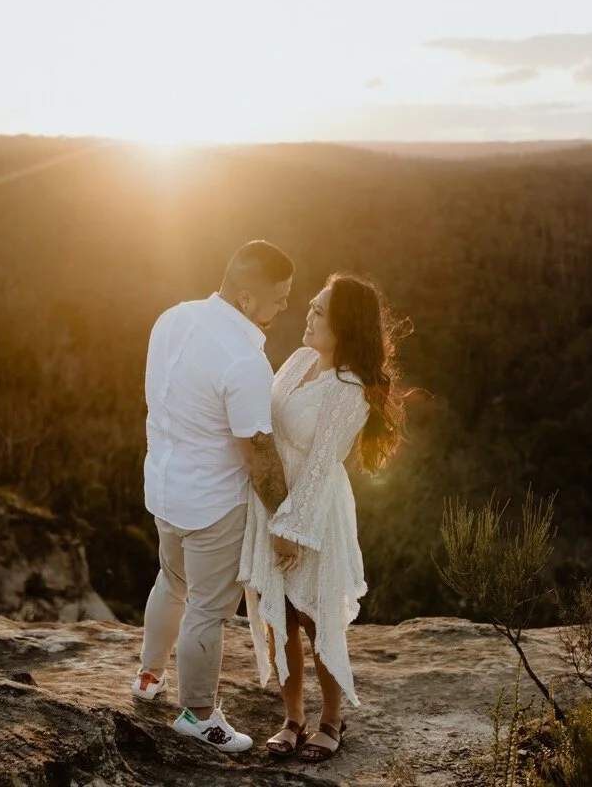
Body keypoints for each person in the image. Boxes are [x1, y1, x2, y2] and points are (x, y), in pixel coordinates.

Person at [132, 240, 297, 753]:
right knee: (208, 607)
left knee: (171, 579)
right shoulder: (245, 360)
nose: (286, 306)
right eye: (280, 297)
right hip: (211, 503)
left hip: (164, 484)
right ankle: (199, 714)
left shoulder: (173, 317)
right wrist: (284, 520)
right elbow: (258, 454)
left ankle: (147, 677)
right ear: (247, 299)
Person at [239, 273, 410, 763]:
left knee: (316, 616)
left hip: (314, 510)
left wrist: (289, 531)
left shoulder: (350, 389)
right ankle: (292, 718)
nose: (308, 316)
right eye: (310, 307)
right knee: (281, 618)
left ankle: (332, 719)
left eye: (319, 312)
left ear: (344, 325)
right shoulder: (298, 362)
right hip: (273, 500)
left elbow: (319, 468)